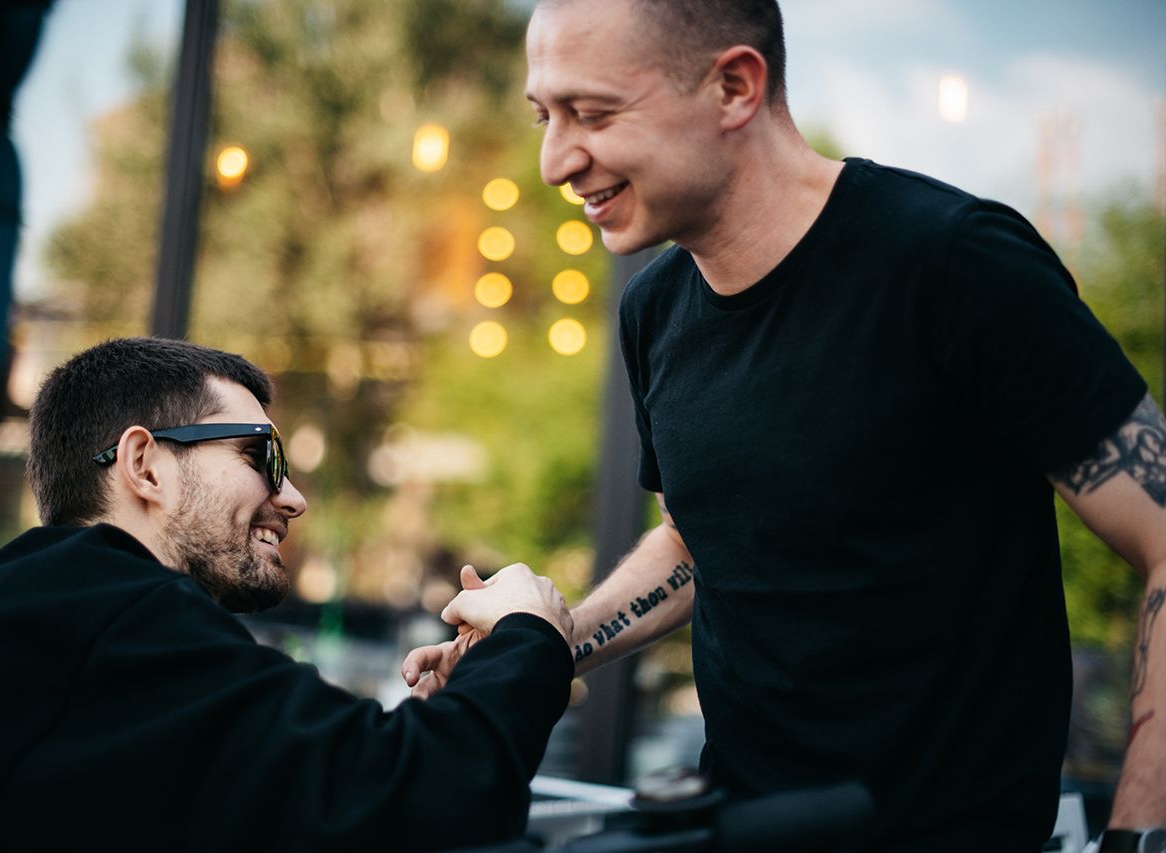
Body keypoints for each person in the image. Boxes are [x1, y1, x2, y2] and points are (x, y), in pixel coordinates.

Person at [403, 1, 1166, 849]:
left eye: (595, 112)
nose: (555, 160)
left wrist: (1142, 832)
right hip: (738, 828)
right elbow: (698, 541)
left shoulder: (955, 264)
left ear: (734, 87)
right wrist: (545, 641)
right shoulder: (655, 309)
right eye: (546, 116)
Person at [0, 337, 575, 851]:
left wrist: (434, 718)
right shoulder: (115, 610)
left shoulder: (51, 609)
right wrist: (528, 630)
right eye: (261, 457)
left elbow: (319, 801)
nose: (293, 497)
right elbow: (434, 796)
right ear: (144, 465)